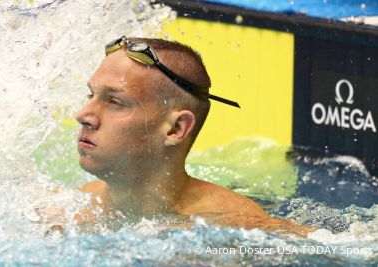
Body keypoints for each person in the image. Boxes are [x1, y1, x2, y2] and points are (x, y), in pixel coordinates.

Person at [75, 36, 314, 236]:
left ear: (176, 129)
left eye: (115, 102)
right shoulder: (76, 207)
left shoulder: (238, 228)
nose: (83, 115)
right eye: (91, 96)